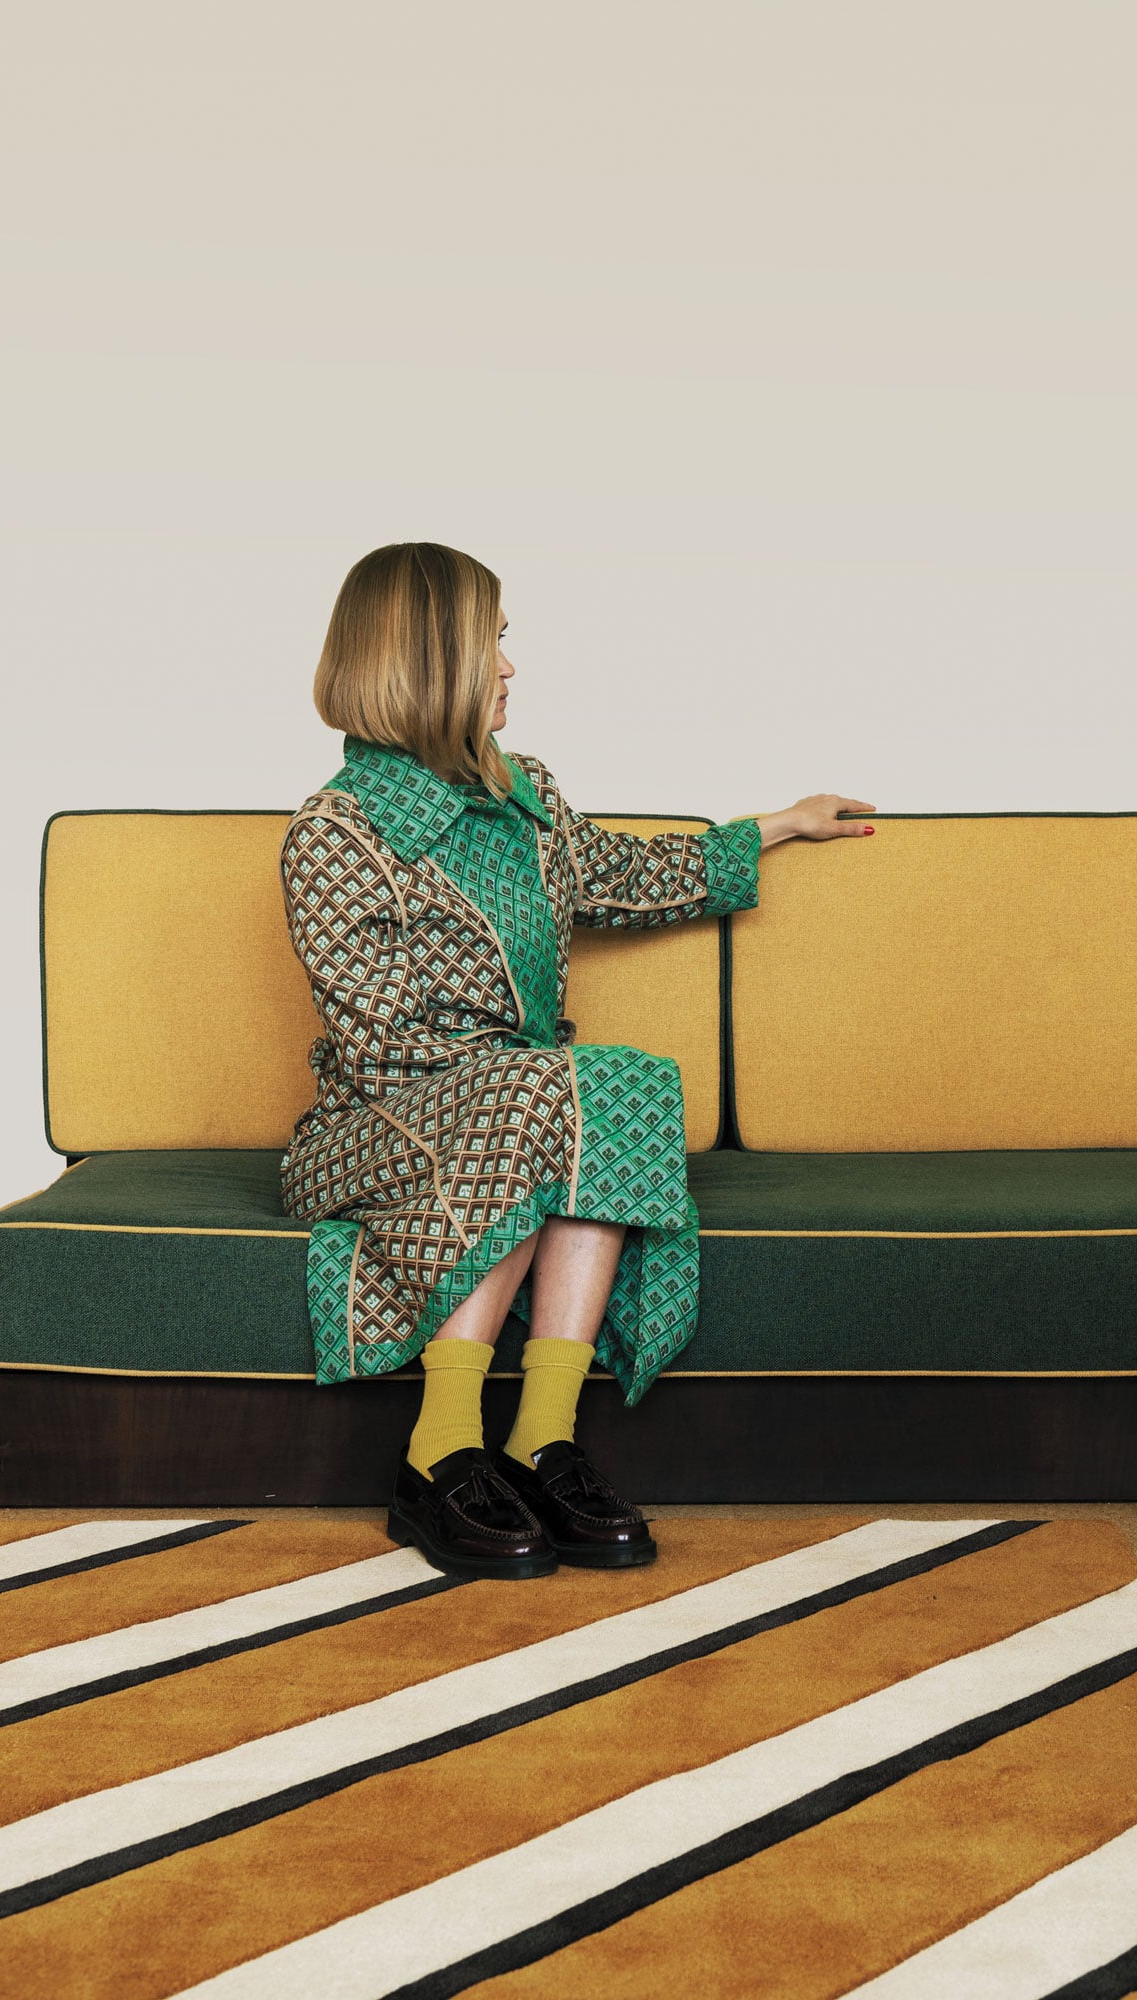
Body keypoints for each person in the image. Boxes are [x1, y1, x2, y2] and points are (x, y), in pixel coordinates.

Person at [280, 542, 875, 1579]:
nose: (509, 666)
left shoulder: (530, 796)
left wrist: (774, 826)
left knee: (619, 1080)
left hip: (518, 1107)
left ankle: (540, 1441)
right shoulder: (334, 832)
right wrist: (525, 1083)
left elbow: (628, 875)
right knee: (552, 1089)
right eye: (491, 642)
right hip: (370, 1133)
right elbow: (379, 1041)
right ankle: (441, 1445)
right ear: (426, 661)